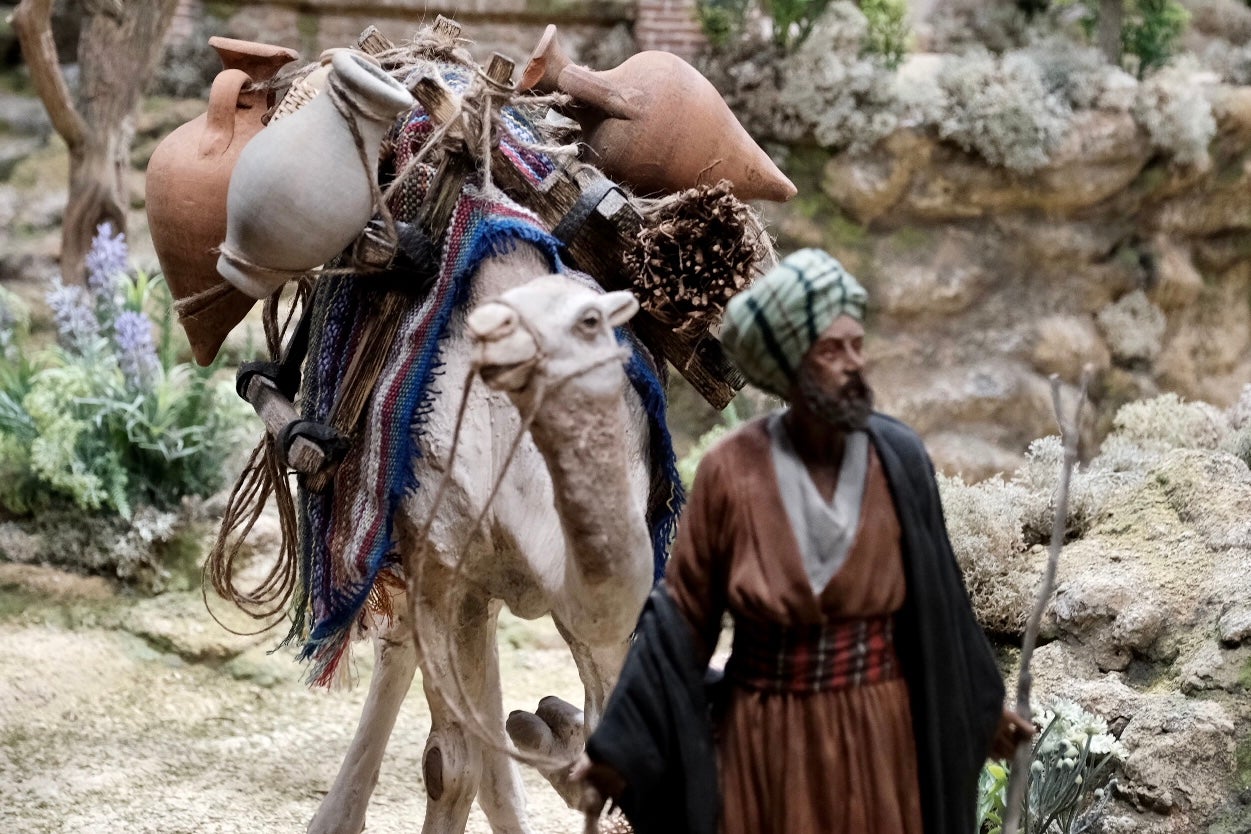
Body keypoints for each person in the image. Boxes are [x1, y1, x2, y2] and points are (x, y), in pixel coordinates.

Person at [573, 248, 1032, 834]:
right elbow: (681, 617)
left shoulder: (899, 459)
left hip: (879, 732)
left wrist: (980, 705)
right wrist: (620, 747)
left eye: (857, 347)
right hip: (768, 740)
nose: (853, 365)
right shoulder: (730, 471)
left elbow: (940, 604)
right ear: (790, 363)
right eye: (831, 351)